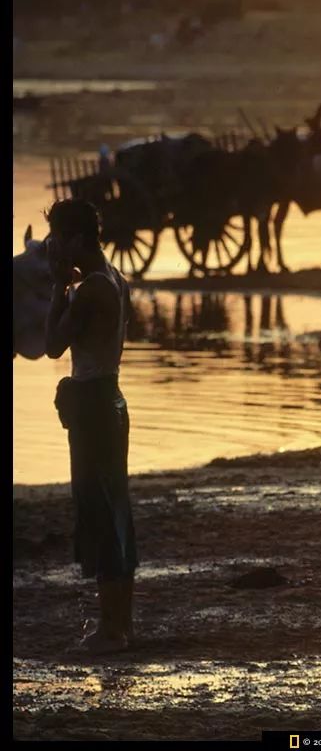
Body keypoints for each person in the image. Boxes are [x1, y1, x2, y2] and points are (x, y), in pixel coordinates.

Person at [44, 198, 137, 654]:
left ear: (76, 239)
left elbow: (51, 344)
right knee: (113, 505)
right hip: (111, 397)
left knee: (98, 508)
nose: (53, 245)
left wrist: (57, 286)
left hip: (95, 403)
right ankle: (120, 624)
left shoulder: (89, 290)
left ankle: (111, 630)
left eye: (58, 237)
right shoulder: (116, 280)